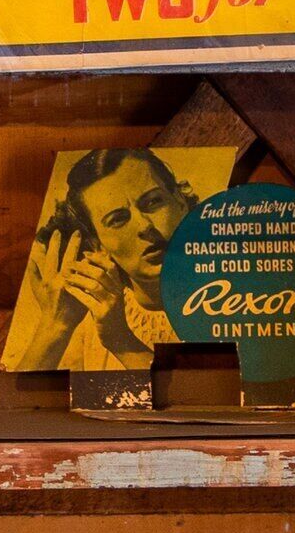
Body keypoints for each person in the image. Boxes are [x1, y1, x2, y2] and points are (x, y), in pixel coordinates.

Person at [20, 148, 194, 372]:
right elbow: (21, 401)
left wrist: (120, 341)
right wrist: (56, 325)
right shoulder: (91, 323)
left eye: (153, 202)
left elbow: (197, 401)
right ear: (97, 244)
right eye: (118, 219)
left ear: (180, 200)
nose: (144, 226)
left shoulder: (235, 293)